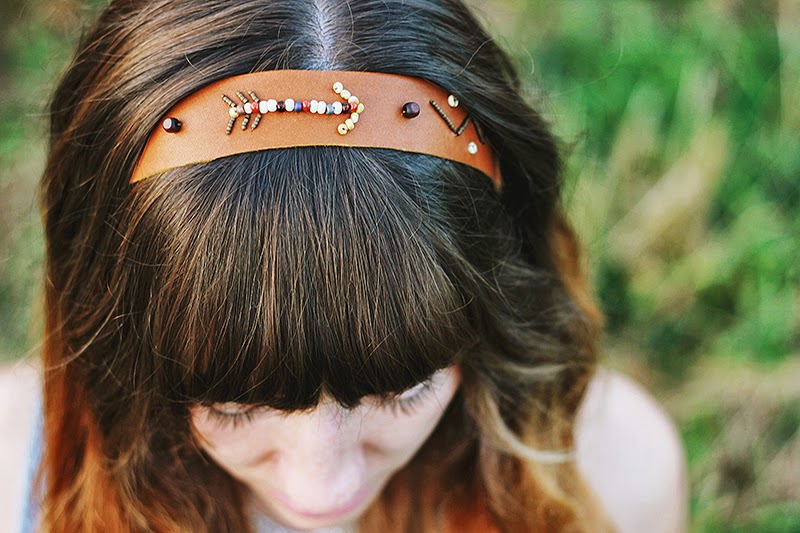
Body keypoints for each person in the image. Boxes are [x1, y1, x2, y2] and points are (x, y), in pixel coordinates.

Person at [30, 0, 687, 531]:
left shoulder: (615, 485)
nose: (323, 489)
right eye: (233, 407)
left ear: (499, 303)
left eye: (405, 391)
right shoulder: (15, 483)